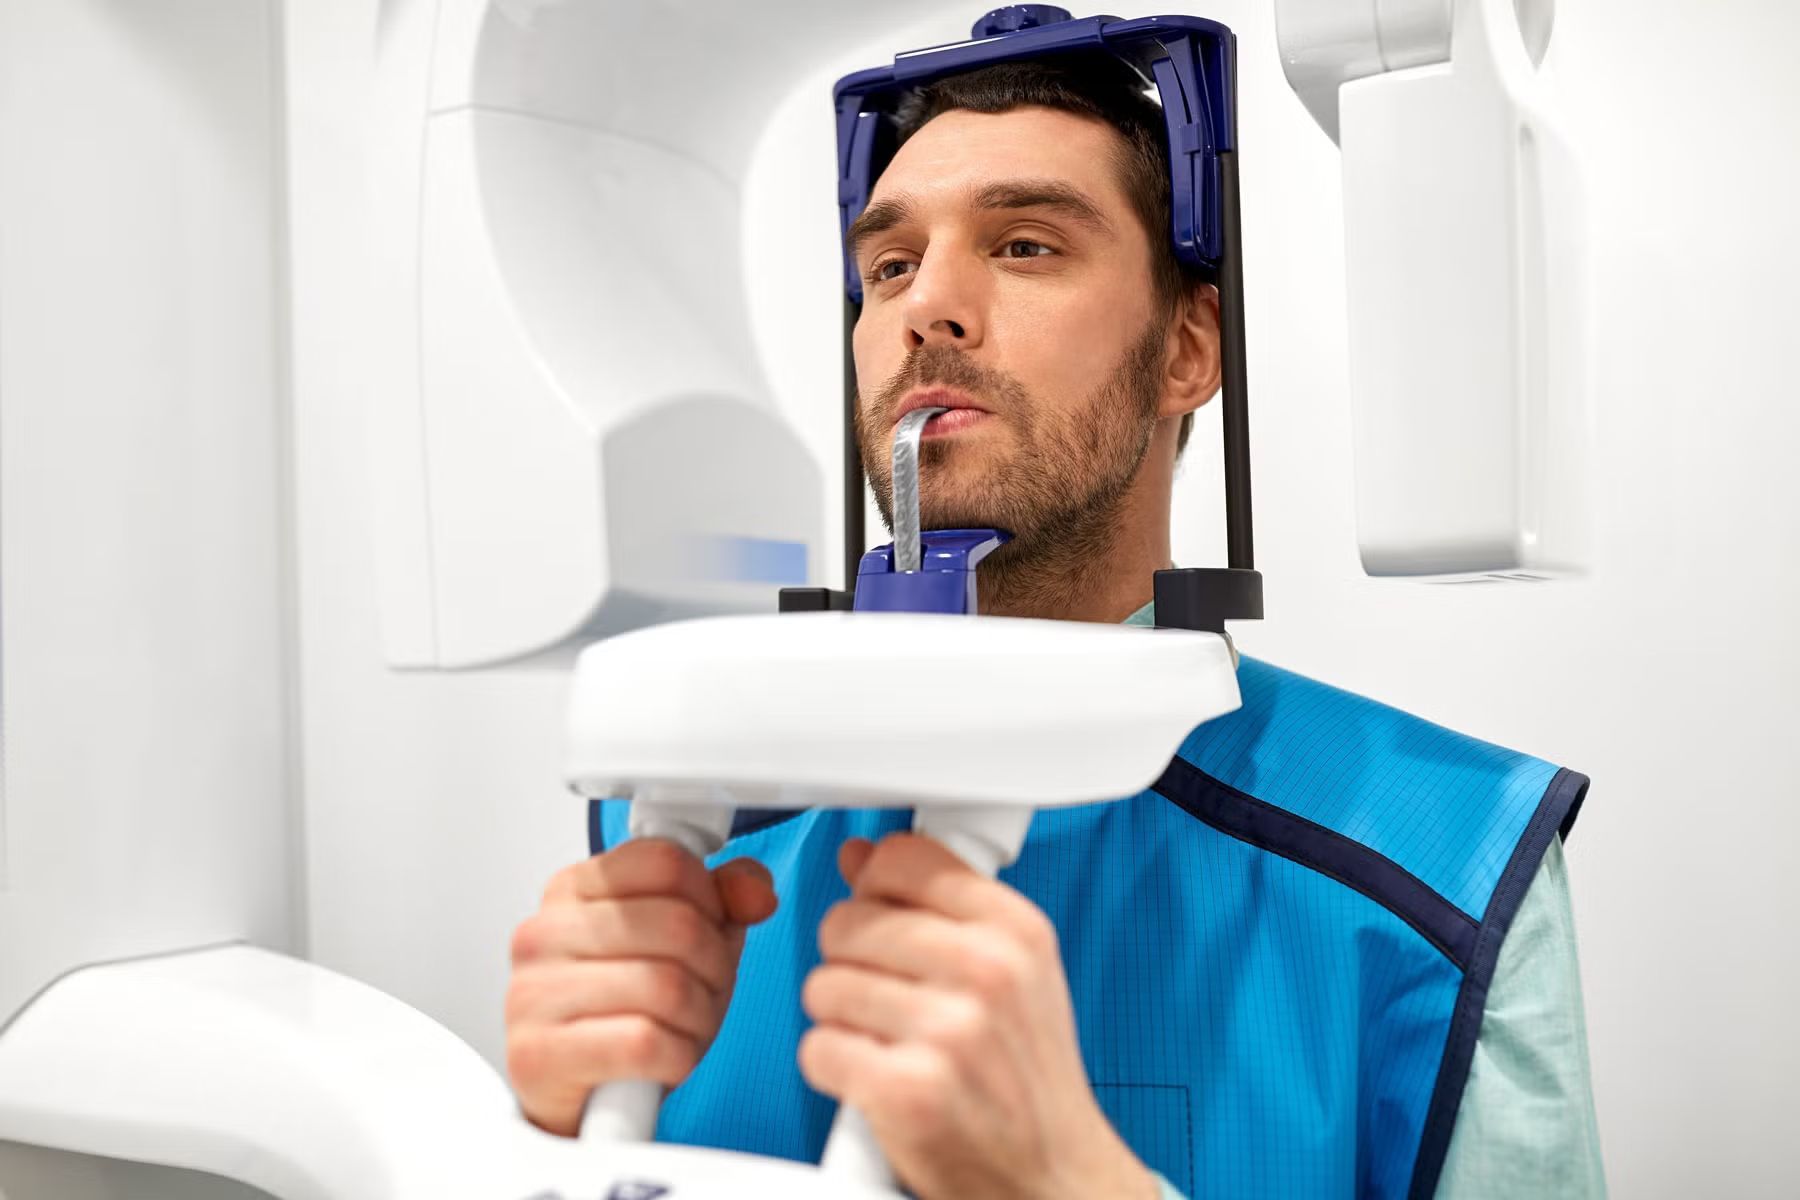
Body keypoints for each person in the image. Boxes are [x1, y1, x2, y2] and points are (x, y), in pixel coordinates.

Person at [503, 54, 1606, 1199]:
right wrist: (528, 1144)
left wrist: (1072, 1179)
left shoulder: (1450, 862)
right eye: (888, 265)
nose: (925, 304)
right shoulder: (675, 831)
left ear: (1186, 350)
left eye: (1025, 243)